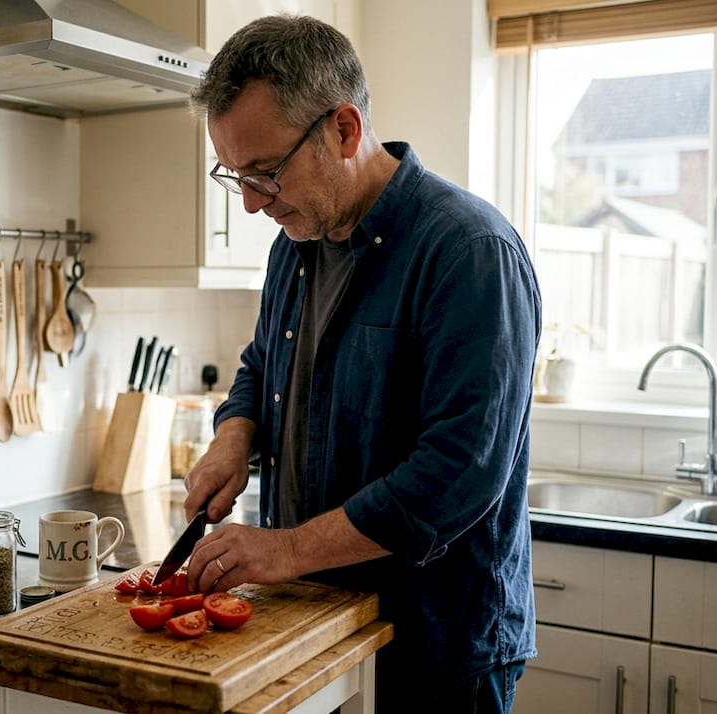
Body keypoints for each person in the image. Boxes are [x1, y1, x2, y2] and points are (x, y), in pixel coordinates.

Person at [181, 14, 541, 713]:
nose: (253, 203)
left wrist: (282, 552)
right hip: (318, 629)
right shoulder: (297, 240)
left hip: (436, 650)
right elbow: (263, 367)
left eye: (266, 172)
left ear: (343, 129)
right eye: (236, 176)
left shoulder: (469, 252)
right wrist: (234, 436)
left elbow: (457, 475)